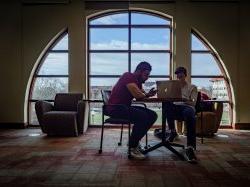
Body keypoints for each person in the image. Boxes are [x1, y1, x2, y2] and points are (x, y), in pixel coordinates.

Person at [107, 61, 158, 160]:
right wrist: (145, 94)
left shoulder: (137, 83)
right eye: (146, 75)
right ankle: (132, 147)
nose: (147, 77)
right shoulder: (128, 76)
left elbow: (140, 96)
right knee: (142, 116)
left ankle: (134, 141)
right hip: (116, 108)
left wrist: (148, 94)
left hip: (123, 107)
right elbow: (138, 95)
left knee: (152, 115)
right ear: (139, 71)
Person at [164, 66, 198, 163]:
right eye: (178, 77)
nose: (179, 78)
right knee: (166, 106)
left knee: (189, 113)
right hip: (176, 107)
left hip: (187, 107)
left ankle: (190, 147)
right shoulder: (174, 87)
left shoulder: (192, 87)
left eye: (181, 76)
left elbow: (193, 103)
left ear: (185, 75)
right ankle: (172, 131)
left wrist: (183, 100)